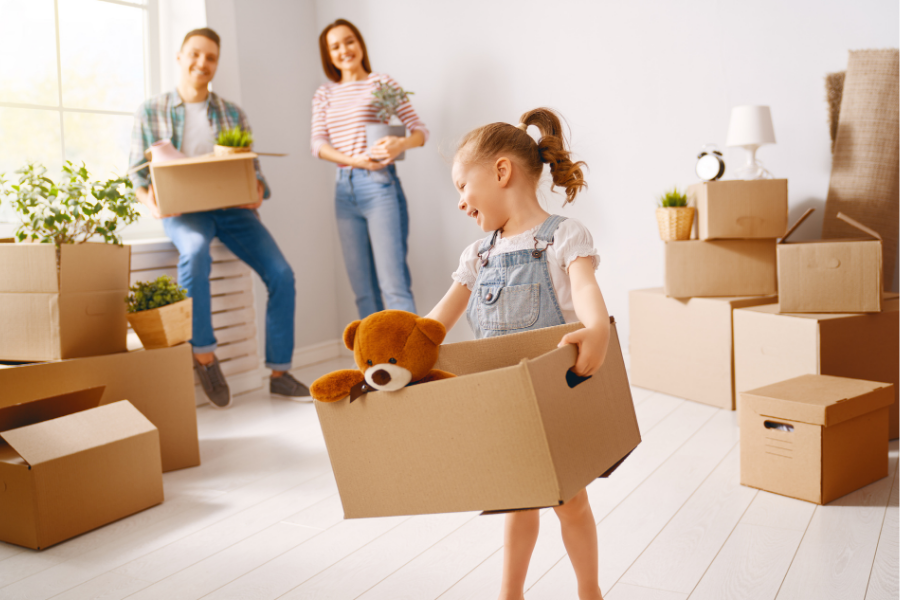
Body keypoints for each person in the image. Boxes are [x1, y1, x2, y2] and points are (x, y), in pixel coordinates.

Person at [426, 108, 610, 600]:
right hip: (502, 404)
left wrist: (597, 331)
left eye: (463, 186)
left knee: (570, 503)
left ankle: (589, 591)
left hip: (553, 399)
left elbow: (586, 289)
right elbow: (436, 322)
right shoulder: (476, 256)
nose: (461, 202)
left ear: (501, 171)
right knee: (517, 505)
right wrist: (402, 352)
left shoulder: (564, 237)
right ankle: (511, 593)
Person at [128, 28, 310, 408]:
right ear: (179, 57)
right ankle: (205, 357)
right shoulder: (152, 110)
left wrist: (256, 189)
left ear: (216, 64)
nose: (202, 63)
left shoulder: (231, 112)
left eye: (211, 58)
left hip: (231, 211)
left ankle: (279, 373)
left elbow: (252, 169)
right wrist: (153, 205)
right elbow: (137, 174)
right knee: (194, 253)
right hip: (184, 212)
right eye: (195, 54)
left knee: (282, 274)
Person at [311, 19, 428, 318]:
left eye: (349, 41)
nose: (344, 50)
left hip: (379, 186)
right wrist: (354, 161)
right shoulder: (325, 93)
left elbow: (419, 131)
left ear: (360, 43)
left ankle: (413, 363)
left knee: (393, 284)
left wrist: (398, 144)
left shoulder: (381, 83)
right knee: (363, 291)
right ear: (329, 55)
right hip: (343, 190)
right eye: (334, 46)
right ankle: (371, 364)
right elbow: (318, 144)